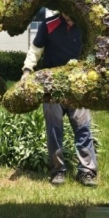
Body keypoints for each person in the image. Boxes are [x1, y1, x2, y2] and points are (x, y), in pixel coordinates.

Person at [22, 10, 98, 187]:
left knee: (83, 128)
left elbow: (93, 51)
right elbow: (35, 50)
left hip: (77, 87)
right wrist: (27, 71)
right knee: (54, 131)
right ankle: (58, 171)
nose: (70, 17)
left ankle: (87, 173)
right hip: (52, 88)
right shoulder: (48, 24)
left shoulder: (85, 25)